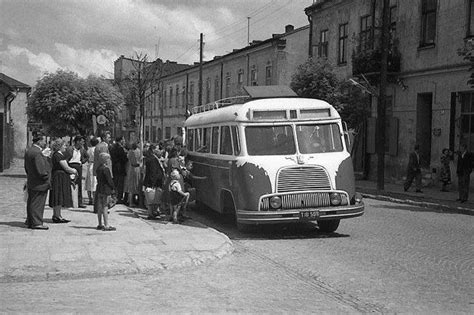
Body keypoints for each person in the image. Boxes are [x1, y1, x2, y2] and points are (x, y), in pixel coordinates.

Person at [24, 132, 52, 230]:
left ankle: (30, 220)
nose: (45, 143)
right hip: (39, 182)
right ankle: (36, 222)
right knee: (38, 203)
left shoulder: (29, 151)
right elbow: (41, 169)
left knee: (31, 201)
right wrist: (46, 177)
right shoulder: (37, 153)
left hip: (32, 180)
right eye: (44, 140)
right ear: (39, 141)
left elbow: (27, 167)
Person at [49, 138, 78, 223]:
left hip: (59, 176)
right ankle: (57, 216)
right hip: (59, 177)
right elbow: (66, 167)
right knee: (58, 195)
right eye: (64, 145)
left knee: (58, 195)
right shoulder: (58, 155)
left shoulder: (57, 154)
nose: (65, 147)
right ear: (60, 146)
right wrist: (74, 171)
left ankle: (57, 214)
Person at [143, 145, 166, 220]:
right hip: (153, 182)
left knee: (153, 199)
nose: (159, 150)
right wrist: (153, 182)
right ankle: (151, 213)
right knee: (152, 199)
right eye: (157, 149)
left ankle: (153, 212)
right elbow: (153, 172)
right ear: (153, 150)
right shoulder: (152, 159)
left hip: (153, 181)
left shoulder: (153, 158)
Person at [95, 153, 116, 231]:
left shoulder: (98, 168)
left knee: (99, 207)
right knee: (105, 206)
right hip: (106, 189)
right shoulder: (106, 169)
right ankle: (106, 224)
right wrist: (113, 188)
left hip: (99, 188)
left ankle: (100, 223)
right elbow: (109, 180)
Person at [65, 135, 88, 208]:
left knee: (79, 184)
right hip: (71, 166)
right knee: (70, 183)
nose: (82, 143)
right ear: (77, 141)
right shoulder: (70, 149)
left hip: (78, 166)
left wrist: (82, 161)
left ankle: (79, 202)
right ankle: (69, 201)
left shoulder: (82, 150)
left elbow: (87, 156)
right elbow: (66, 158)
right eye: (81, 141)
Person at [93, 131, 111, 213]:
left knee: (99, 188)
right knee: (103, 189)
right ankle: (102, 208)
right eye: (108, 137)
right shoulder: (103, 146)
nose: (109, 139)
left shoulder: (98, 146)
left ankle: (98, 207)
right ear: (104, 138)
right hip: (103, 169)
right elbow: (104, 158)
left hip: (98, 169)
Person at [109, 136, 128, 203]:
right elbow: (124, 159)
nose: (124, 141)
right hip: (120, 167)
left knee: (115, 183)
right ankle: (118, 198)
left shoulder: (112, 147)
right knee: (120, 184)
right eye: (123, 139)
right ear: (120, 140)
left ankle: (114, 196)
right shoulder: (120, 148)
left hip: (114, 167)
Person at [85, 137, 99, 205]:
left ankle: (90, 199)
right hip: (94, 165)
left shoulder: (89, 149)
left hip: (89, 164)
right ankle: (94, 199)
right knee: (94, 182)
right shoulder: (96, 149)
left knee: (88, 183)